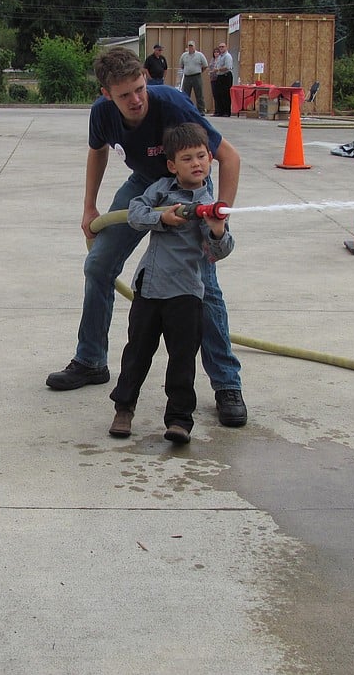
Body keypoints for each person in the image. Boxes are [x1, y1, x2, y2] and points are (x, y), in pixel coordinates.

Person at [46, 47, 247, 428]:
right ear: (107, 94)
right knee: (98, 264)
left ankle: (226, 384)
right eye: (125, 95)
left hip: (187, 190)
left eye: (140, 88)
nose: (136, 99)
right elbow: (97, 152)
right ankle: (90, 360)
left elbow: (229, 157)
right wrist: (90, 208)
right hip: (145, 185)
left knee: (203, 284)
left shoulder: (171, 104)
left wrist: (217, 213)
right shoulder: (101, 114)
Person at [109, 123, 234, 444]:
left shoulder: (210, 204)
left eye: (202, 156)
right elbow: (135, 211)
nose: (197, 163)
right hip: (149, 290)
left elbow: (219, 252)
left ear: (210, 159)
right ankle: (124, 409)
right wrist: (162, 218)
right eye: (187, 158)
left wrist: (218, 229)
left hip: (186, 294)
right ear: (171, 165)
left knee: (182, 359)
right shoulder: (161, 190)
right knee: (137, 353)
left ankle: (179, 420)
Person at [178, 40, 209, 115]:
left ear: (194, 47)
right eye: (189, 46)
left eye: (192, 46)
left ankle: (201, 110)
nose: (190, 47)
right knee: (185, 94)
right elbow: (181, 65)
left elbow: (205, 65)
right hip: (187, 77)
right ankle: (186, 109)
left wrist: (199, 71)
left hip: (196, 76)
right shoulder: (184, 55)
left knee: (199, 94)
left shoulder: (199, 55)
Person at [212, 42, 235, 117]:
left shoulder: (227, 56)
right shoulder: (220, 57)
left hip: (226, 76)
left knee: (225, 94)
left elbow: (227, 67)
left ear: (226, 47)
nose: (221, 48)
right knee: (219, 94)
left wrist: (217, 69)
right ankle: (220, 111)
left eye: (222, 47)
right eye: (220, 47)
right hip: (220, 76)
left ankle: (226, 112)